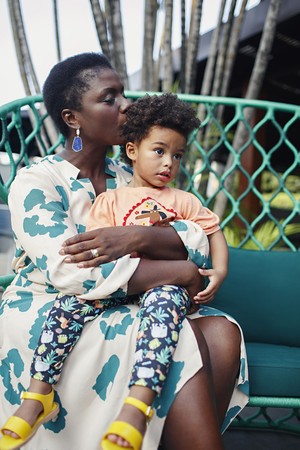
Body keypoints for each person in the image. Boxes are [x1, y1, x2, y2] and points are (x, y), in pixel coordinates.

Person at [0, 52, 249, 450]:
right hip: (52, 304)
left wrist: (138, 238)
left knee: (221, 332)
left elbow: (199, 240)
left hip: (133, 297)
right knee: (182, 334)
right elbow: (70, 269)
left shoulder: (134, 172)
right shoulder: (36, 182)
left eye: (124, 95)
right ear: (72, 119)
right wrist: (176, 270)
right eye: (109, 98)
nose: (126, 106)